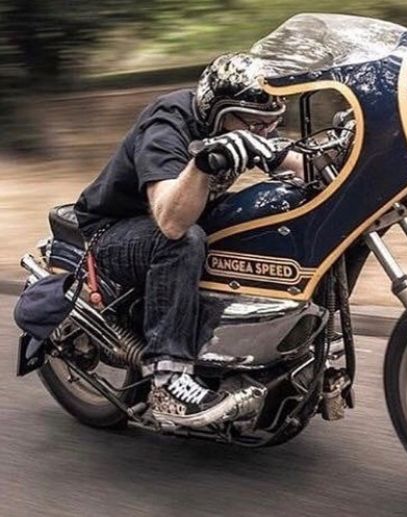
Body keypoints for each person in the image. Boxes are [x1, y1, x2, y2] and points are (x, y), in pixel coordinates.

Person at [74, 52, 300, 428]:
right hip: (113, 228)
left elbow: (290, 159)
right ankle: (168, 381)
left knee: (262, 212)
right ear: (218, 111)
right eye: (255, 124)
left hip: (170, 217)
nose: (263, 132)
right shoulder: (168, 123)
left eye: (271, 123)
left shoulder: (240, 123)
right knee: (184, 240)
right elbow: (170, 222)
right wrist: (204, 162)